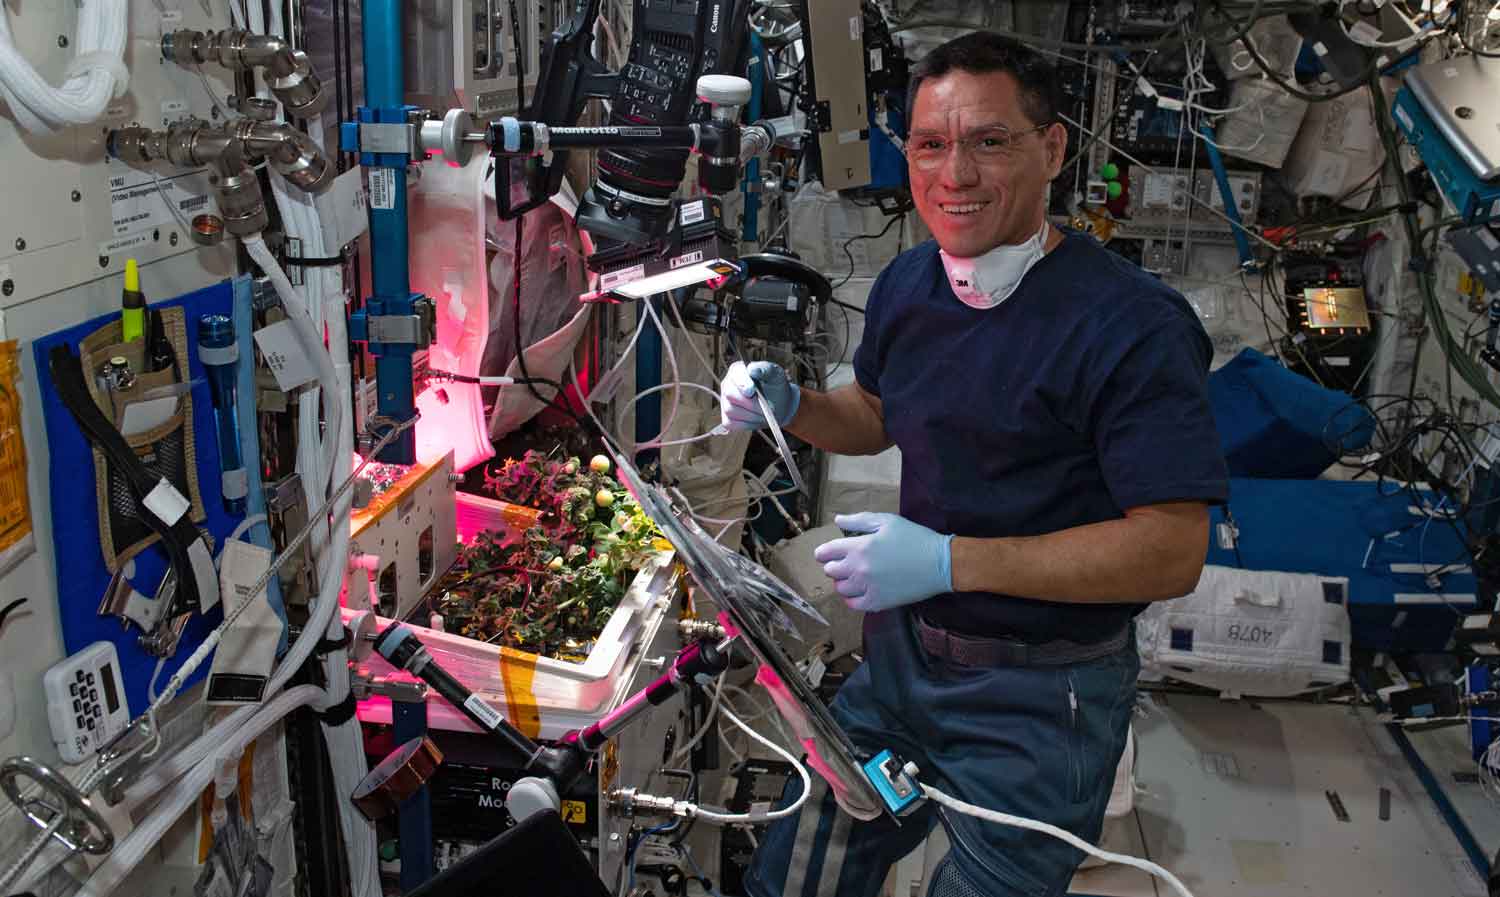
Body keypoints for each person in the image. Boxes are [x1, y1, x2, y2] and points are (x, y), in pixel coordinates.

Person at [717, 31, 1229, 897]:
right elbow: (878, 414)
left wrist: (946, 560)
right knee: (799, 871)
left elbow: (1171, 548)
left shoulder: (1132, 325)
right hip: (901, 668)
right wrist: (793, 406)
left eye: (990, 141)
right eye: (930, 143)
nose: (953, 175)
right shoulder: (911, 283)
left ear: (1054, 149)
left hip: (1042, 699)